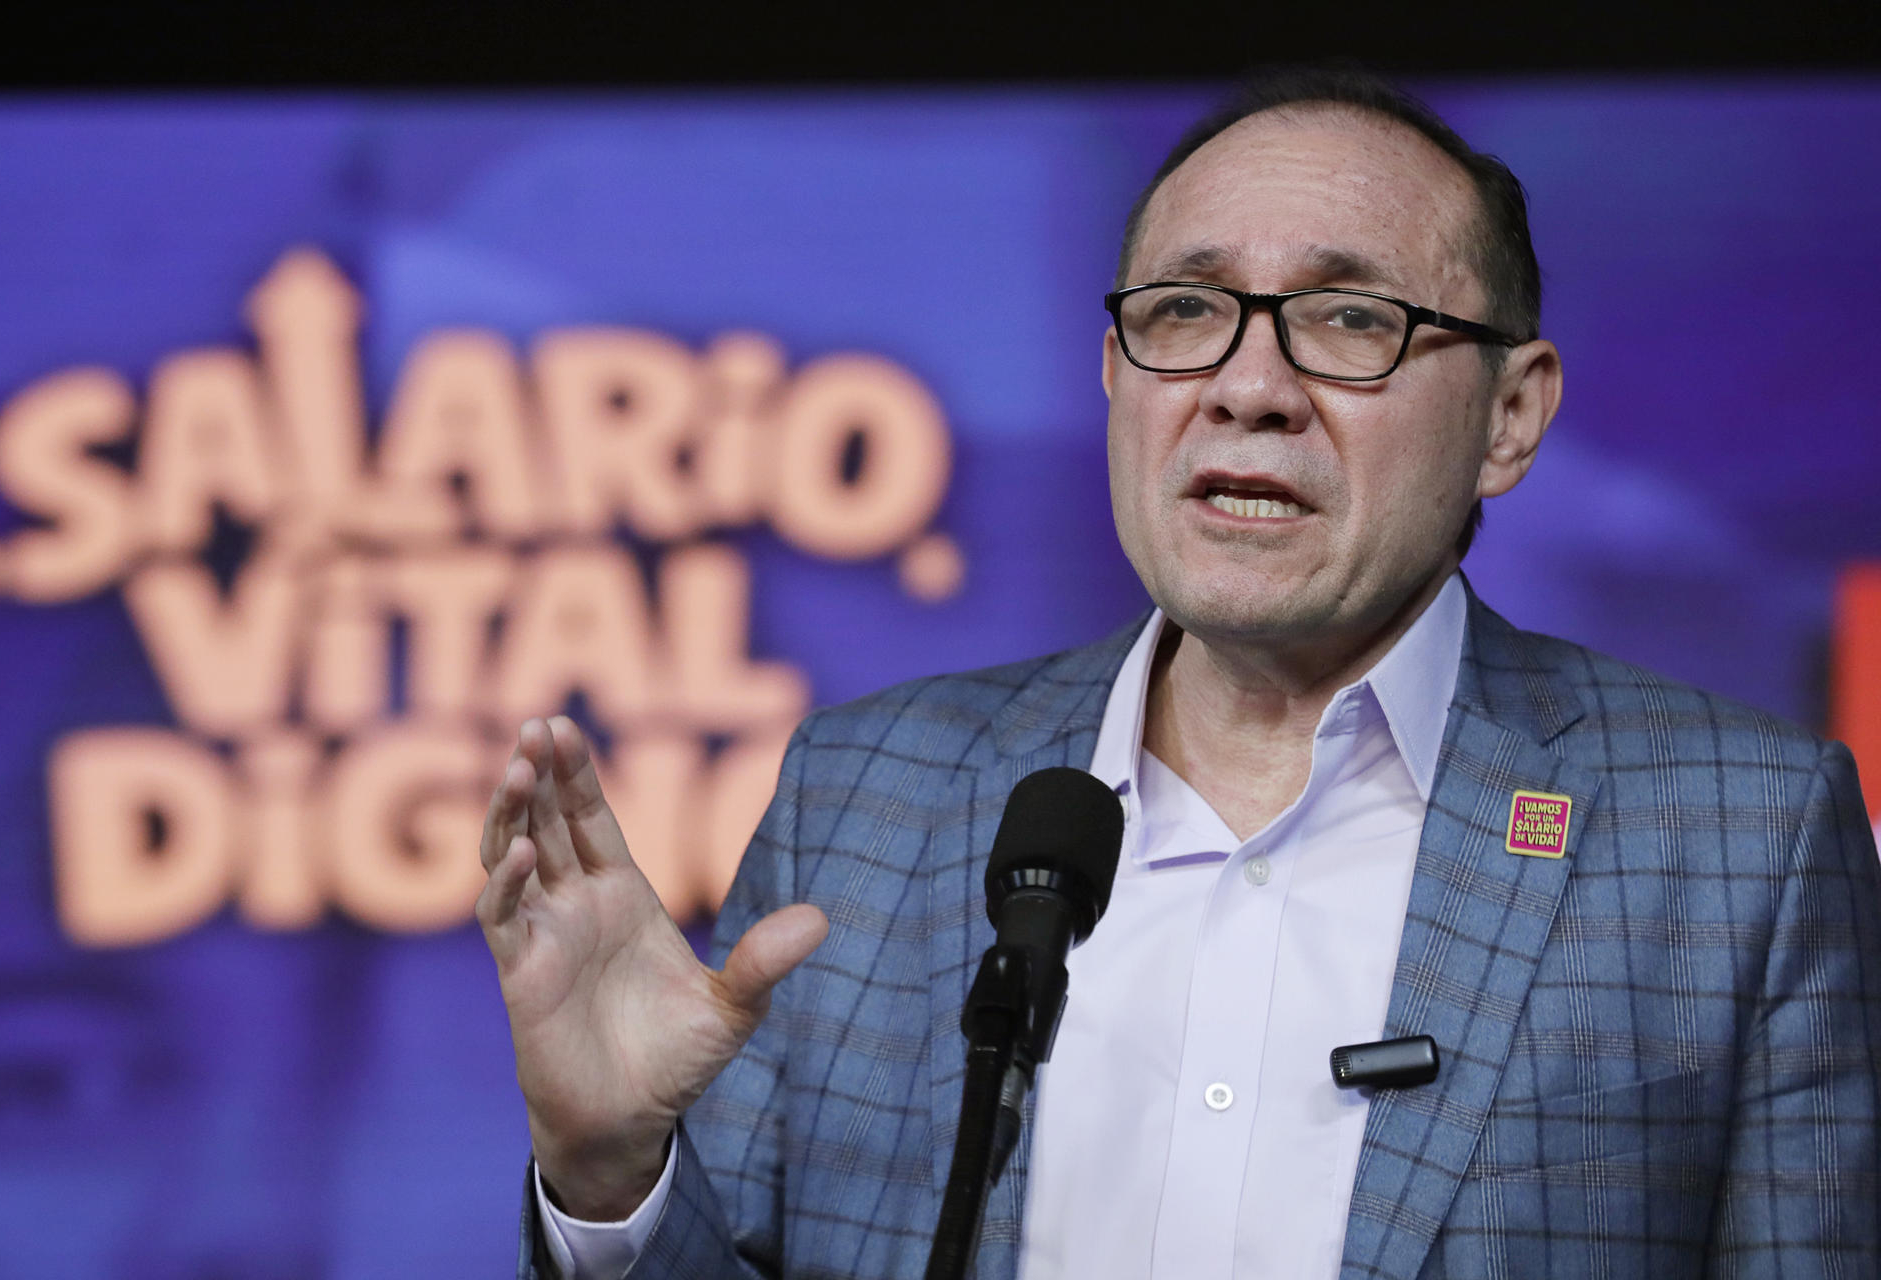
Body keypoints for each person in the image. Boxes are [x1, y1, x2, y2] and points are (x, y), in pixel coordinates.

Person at [477, 69, 1881, 1280]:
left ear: (1510, 416)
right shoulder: (862, 798)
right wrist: (609, 1177)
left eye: (1350, 318)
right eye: (1187, 310)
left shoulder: (1742, 839)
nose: (1247, 386)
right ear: (1115, 373)